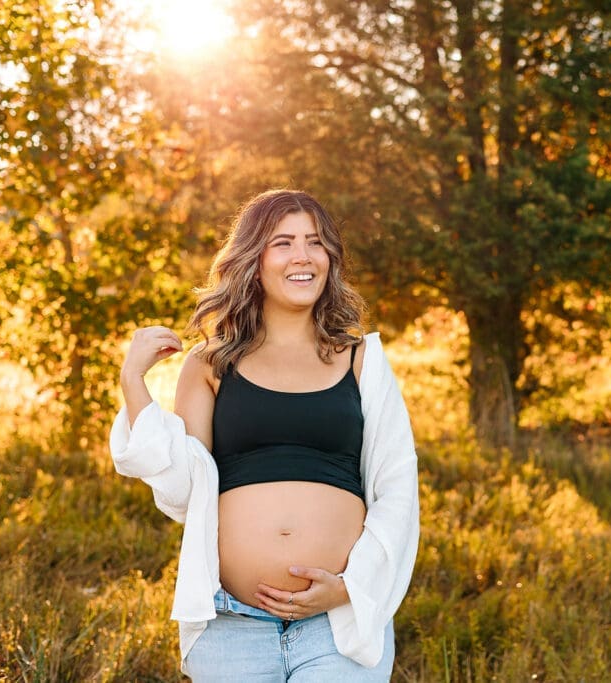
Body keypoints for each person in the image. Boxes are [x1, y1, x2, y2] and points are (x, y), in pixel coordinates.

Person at [108, 189, 419, 681]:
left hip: (337, 625)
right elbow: (181, 491)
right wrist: (133, 382)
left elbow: (397, 490)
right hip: (231, 627)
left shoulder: (363, 360)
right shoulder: (210, 363)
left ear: (330, 259)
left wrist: (351, 588)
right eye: (283, 243)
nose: (303, 255)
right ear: (254, 261)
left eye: (315, 243)